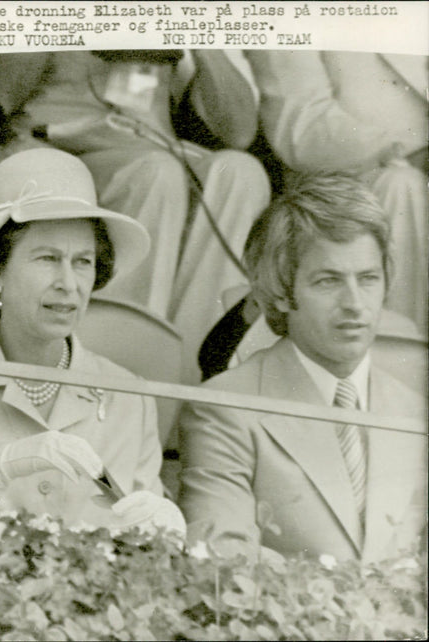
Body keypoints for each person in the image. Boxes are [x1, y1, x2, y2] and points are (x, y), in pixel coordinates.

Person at [0, 148, 185, 533]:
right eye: (47, 258)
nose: (68, 284)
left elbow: (144, 541)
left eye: (83, 262)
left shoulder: (129, 397)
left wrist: (165, 532)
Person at [177, 173, 427, 563]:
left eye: (368, 279)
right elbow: (220, 563)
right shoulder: (223, 408)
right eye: (328, 281)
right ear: (280, 292)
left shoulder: (416, 412)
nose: (354, 303)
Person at [0, 50, 271, 385]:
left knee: (242, 173)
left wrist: (199, 35)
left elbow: (238, 133)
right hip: (66, 156)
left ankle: (193, 377)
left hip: (155, 150)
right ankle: (124, 368)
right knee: (157, 174)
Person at [246, 50, 428, 331]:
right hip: (361, 172)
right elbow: (300, 128)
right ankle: (397, 354)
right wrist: (410, 151)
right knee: (401, 185)